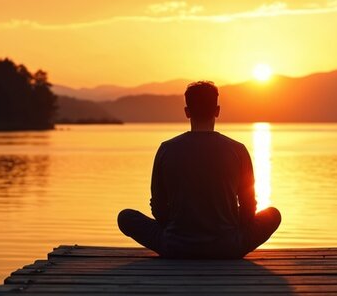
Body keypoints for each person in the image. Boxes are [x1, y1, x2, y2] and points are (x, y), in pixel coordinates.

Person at [117, 81, 282, 259]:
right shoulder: (238, 150)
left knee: (126, 217)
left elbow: (158, 206)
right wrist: (229, 229)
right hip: (228, 248)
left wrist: (176, 229)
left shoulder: (166, 149)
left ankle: (180, 239)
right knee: (273, 215)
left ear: (187, 112)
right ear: (217, 111)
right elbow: (248, 207)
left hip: (175, 246)